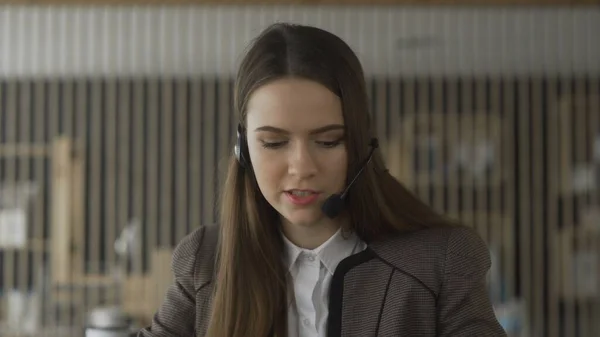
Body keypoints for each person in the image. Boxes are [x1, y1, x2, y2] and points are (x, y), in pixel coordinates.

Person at [138, 22, 506, 337]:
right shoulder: (204, 259)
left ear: (360, 144)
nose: (301, 167)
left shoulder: (443, 259)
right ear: (243, 148)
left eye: (329, 141)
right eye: (274, 142)